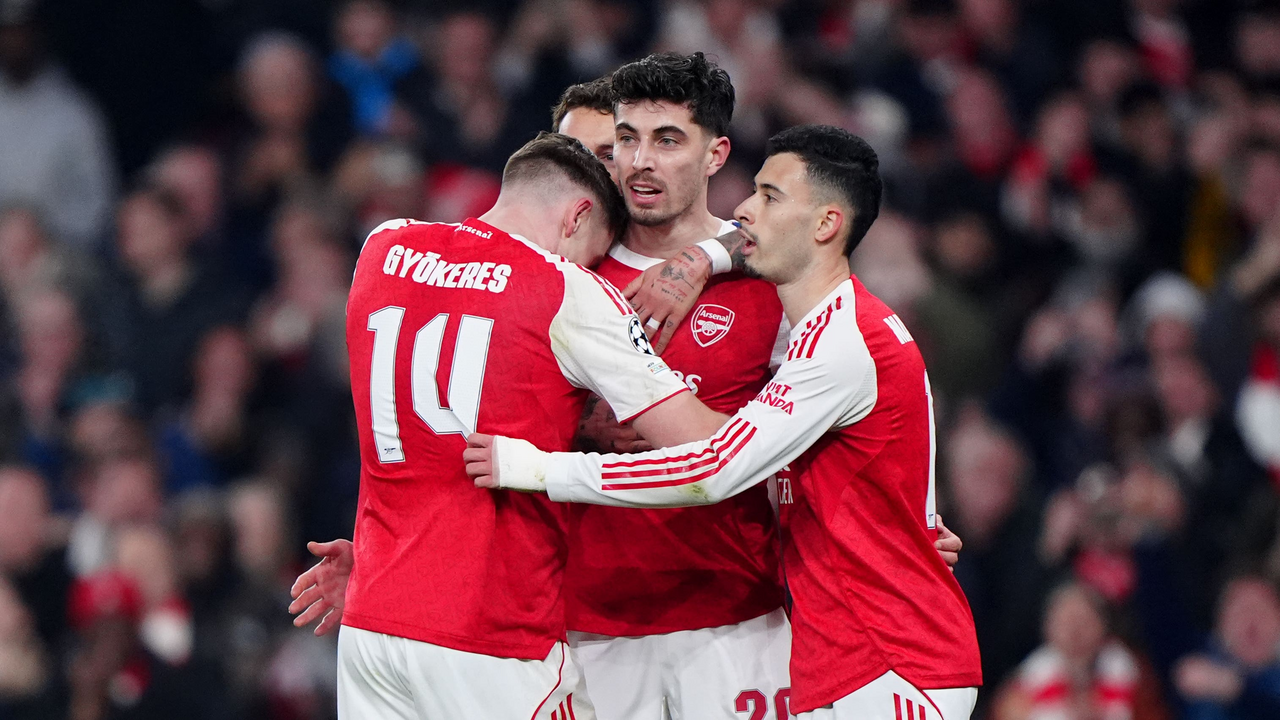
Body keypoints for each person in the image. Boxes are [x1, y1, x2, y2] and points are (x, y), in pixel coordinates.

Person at [467, 125, 983, 718]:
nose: (744, 210)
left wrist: (537, 468)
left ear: (825, 225)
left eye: (770, 197)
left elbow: (713, 470)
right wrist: (911, 533)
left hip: (891, 661)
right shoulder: (827, 334)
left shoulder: (842, 344)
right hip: (847, 659)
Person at [319, 130, 730, 719]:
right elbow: (704, 447)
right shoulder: (566, 288)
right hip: (492, 635)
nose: (589, 265)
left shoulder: (383, 246)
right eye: (592, 252)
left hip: (371, 626)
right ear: (578, 216)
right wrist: (798, 410)